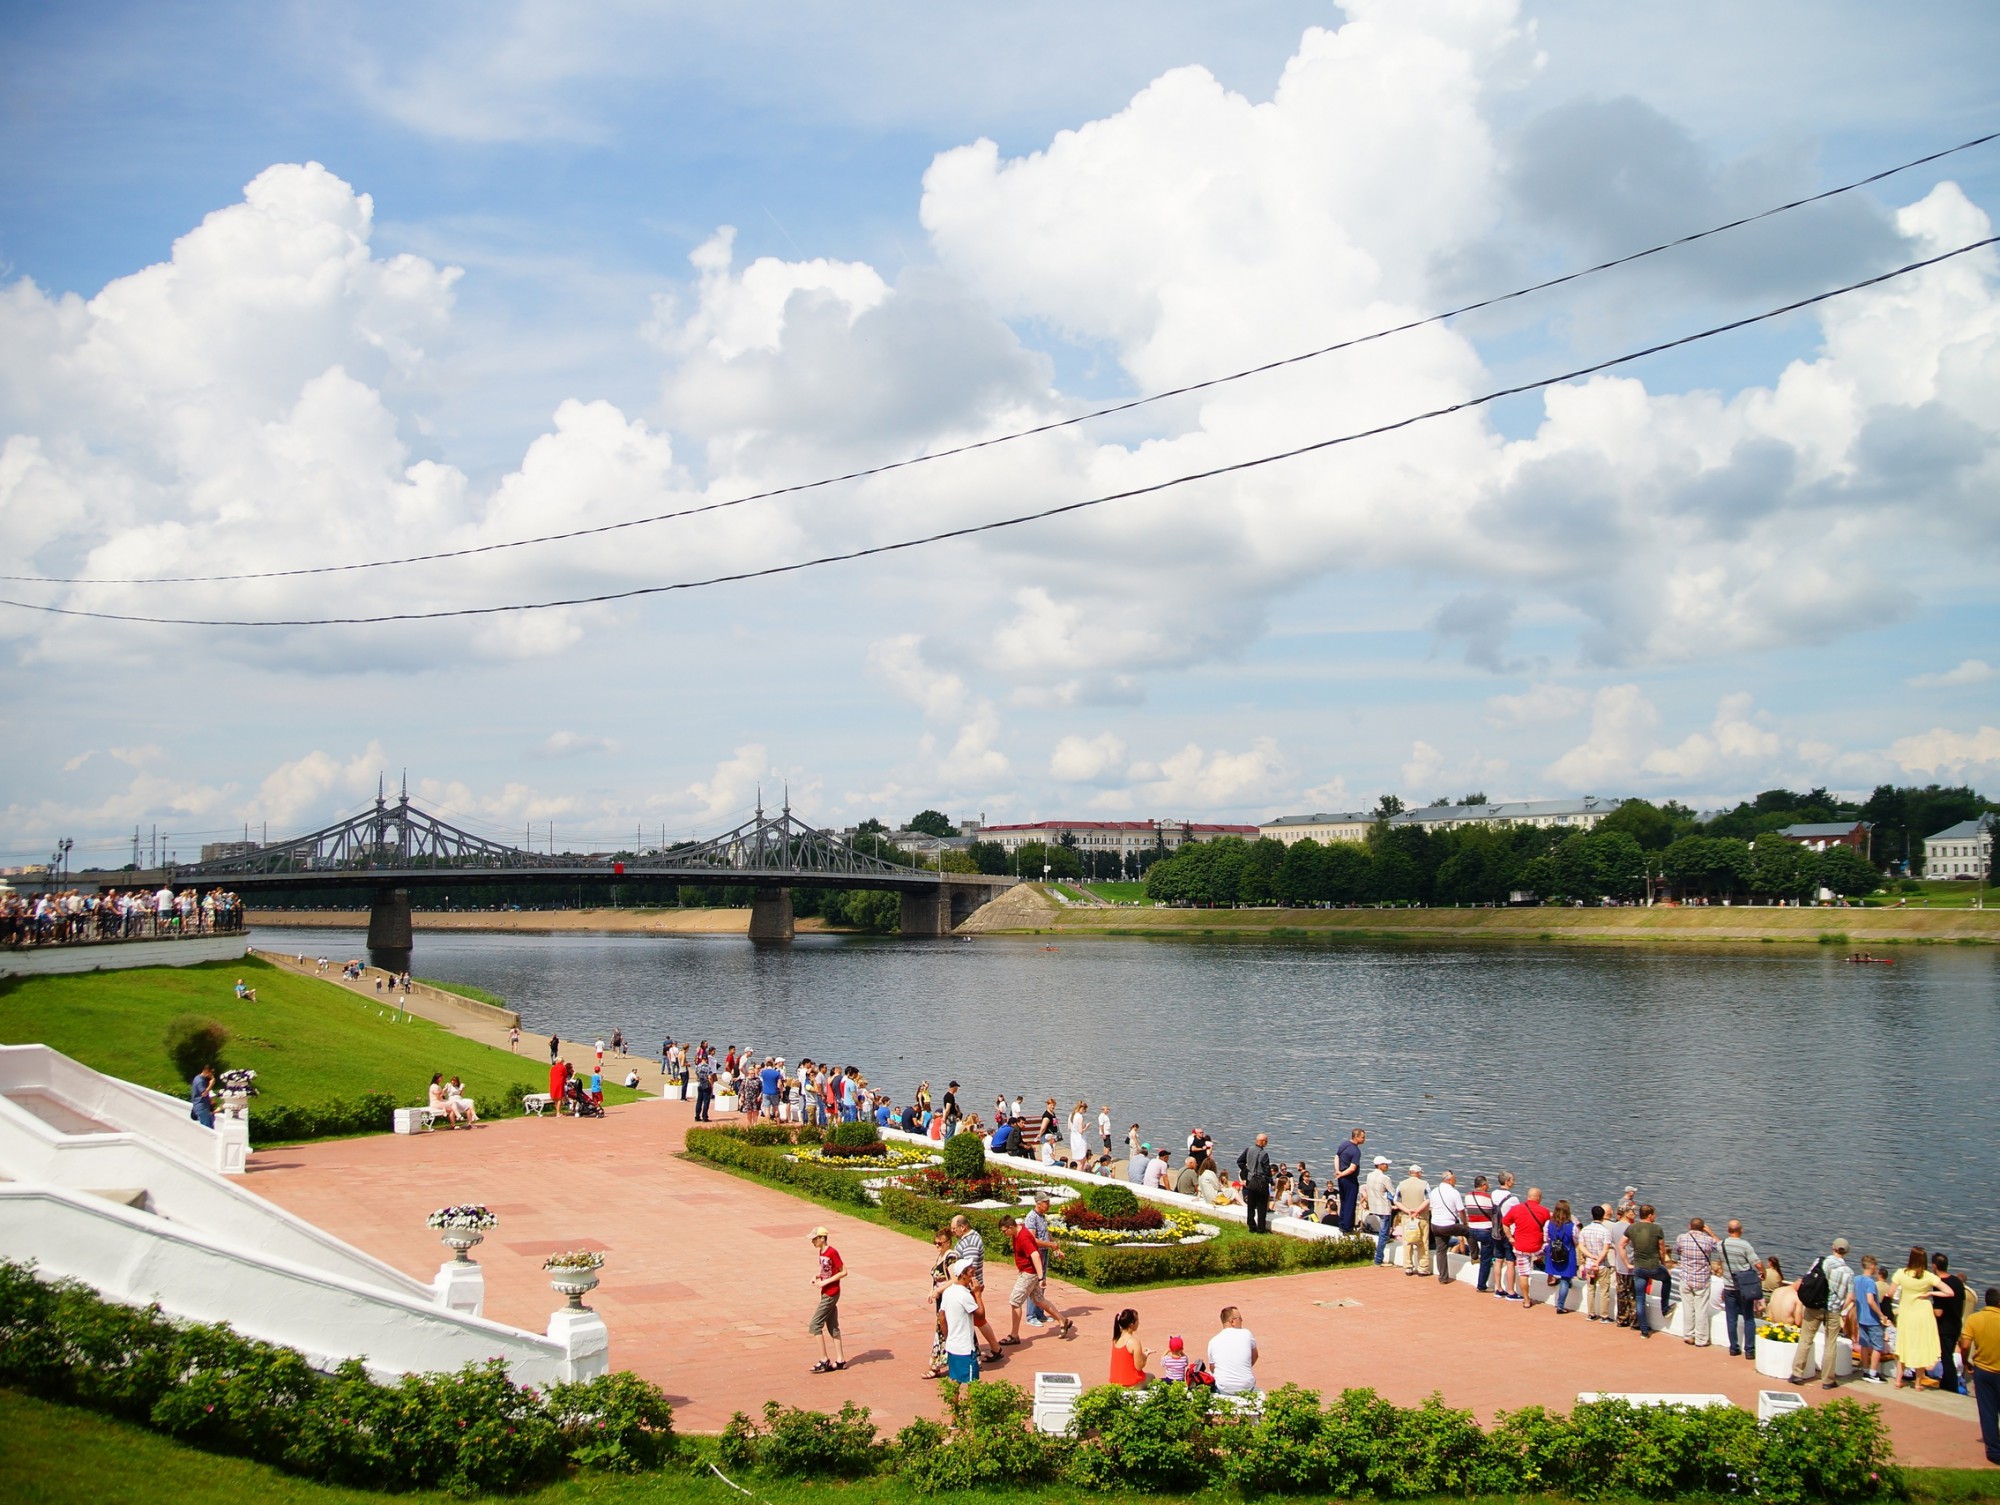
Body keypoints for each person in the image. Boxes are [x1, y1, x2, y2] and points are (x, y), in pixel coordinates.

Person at [1791, 1236, 1856, 1389]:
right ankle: (1827, 1380)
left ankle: (1797, 1373)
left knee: (1806, 1339)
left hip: (1814, 1306)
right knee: (1830, 1344)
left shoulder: (1821, 1262)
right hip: (1833, 1310)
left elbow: (1808, 1279)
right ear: (1846, 1252)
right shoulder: (1849, 1272)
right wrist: (1840, 1306)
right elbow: (1851, 1296)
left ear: (1833, 1248)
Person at [1001, 1212, 1074, 1344]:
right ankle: (1062, 1320)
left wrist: (1041, 1278)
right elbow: (1033, 1241)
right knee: (1038, 1300)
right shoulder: (1020, 1229)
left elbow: (1035, 1255)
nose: (1004, 1234)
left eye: (1004, 1231)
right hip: (1030, 1272)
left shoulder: (1022, 1237)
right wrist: (1051, 1245)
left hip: (1029, 1273)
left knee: (1015, 1301)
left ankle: (1014, 1335)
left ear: (1011, 1227)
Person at [1890, 1246, 1953, 1389]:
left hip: (1906, 1313)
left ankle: (1898, 1380)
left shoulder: (1901, 1273)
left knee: (1903, 1345)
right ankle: (1918, 1383)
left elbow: (1890, 1292)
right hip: (1923, 1313)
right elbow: (1949, 1292)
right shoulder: (1928, 1276)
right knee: (1921, 1346)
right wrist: (1930, 1294)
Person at [948, 1215, 1003, 1360]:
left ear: (963, 1227)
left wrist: (970, 1288)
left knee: (979, 1318)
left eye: (954, 1228)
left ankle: (995, 1348)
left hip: (971, 1287)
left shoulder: (971, 1242)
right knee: (975, 1319)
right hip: (967, 1286)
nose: (953, 1232)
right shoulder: (966, 1239)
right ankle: (994, 1347)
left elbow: (970, 1268)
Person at [1958, 1287, 2000, 1466]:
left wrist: (1966, 1361)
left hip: (1983, 1370)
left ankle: (1994, 1451)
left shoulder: (1975, 1319)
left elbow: (1965, 1344)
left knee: (1988, 1411)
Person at [1719, 1219, 1766, 1359]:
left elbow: (1716, 1243)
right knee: (1749, 1318)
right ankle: (1750, 1350)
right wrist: (1764, 1272)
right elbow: (1757, 1264)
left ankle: (1734, 1347)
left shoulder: (1722, 1244)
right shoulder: (1745, 1245)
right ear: (1741, 1230)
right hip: (1745, 1287)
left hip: (1729, 1286)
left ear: (1728, 1230)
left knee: (1731, 1318)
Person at [1672, 1216, 1721, 1346]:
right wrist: (1711, 1232)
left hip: (1686, 1278)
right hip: (1702, 1279)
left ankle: (1688, 1335)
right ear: (1703, 1228)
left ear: (1690, 1226)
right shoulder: (1708, 1240)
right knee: (1701, 1309)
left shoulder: (1681, 1238)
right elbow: (1721, 1248)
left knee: (1688, 1308)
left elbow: (1677, 1250)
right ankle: (1701, 1339)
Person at [939, 1257, 984, 1394]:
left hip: (952, 1346)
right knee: (973, 1385)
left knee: (954, 1382)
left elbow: (941, 1317)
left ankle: (955, 1414)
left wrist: (948, 1337)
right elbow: (981, 1315)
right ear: (962, 1275)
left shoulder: (948, 1292)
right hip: (965, 1349)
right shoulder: (965, 1296)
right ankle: (974, 1414)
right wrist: (977, 1294)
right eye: (970, 1271)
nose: (973, 1271)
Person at [1624, 1205, 1670, 1337]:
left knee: (1640, 1298)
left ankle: (1644, 1330)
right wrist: (1664, 1264)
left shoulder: (1632, 1227)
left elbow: (1621, 1244)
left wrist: (1627, 1262)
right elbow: (1662, 1249)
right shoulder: (1657, 1228)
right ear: (1650, 1215)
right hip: (1653, 1265)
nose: (1655, 1216)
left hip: (1638, 1267)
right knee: (1667, 1279)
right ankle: (1665, 1308)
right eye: (1654, 1214)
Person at [807, 1227, 847, 1373]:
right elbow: (826, 1270)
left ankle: (824, 1359)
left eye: (814, 1239)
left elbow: (843, 1271)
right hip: (826, 1292)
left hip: (831, 1293)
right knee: (832, 1326)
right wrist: (817, 1276)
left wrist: (825, 1282)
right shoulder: (822, 1252)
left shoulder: (832, 1252)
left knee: (815, 1325)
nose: (812, 1241)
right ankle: (840, 1360)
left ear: (822, 1238)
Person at [1934, 1253, 1969, 1395]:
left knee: (1946, 1357)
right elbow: (1962, 1302)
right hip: (1956, 1324)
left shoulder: (1939, 1285)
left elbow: (1938, 1312)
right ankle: (1947, 1382)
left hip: (1945, 1326)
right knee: (1948, 1355)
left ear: (1934, 1266)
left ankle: (1950, 1386)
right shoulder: (1957, 1282)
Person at [1207, 1305, 1259, 1397]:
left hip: (1224, 1388)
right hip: (1246, 1386)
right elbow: (1255, 1355)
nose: (1242, 1320)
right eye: (1240, 1318)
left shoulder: (1213, 1341)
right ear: (1232, 1321)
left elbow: (1212, 1368)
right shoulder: (1246, 1333)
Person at [1428, 1171, 1467, 1286]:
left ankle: (1443, 1277)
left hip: (1435, 1225)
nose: (1455, 1181)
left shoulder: (1435, 1191)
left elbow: (1431, 1208)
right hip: (1448, 1225)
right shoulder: (1454, 1192)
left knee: (1441, 1251)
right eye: (1454, 1179)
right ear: (1449, 1180)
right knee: (1470, 1233)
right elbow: (1461, 1210)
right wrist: (1464, 1223)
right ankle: (1474, 1256)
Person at [1853, 1255, 1888, 1382]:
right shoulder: (1870, 1282)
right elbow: (1870, 1301)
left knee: (1864, 1344)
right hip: (1872, 1319)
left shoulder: (1856, 1279)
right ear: (1872, 1266)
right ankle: (1873, 1373)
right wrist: (1881, 1315)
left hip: (1861, 1317)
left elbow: (1853, 1296)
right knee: (1878, 1346)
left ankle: (1866, 1370)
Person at [1578, 1205, 1616, 1322]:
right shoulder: (1605, 1231)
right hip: (1602, 1264)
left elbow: (1581, 1246)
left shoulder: (1585, 1230)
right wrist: (1598, 1260)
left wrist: (1591, 1256)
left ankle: (1591, 1313)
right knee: (1604, 1291)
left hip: (1590, 1264)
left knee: (1591, 1290)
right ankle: (1604, 1315)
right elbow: (1605, 1249)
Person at [1463, 1176, 1500, 1292]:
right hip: (1485, 1230)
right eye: (1487, 1184)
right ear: (1483, 1185)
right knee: (1486, 1259)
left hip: (1472, 1230)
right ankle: (1481, 1285)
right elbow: (1494, 1212)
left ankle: (1474, 1257)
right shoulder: (1489, 1198)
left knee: (1483, 1255)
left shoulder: (1468, 1196)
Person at [1544, 1199, 1580, 1314]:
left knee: (1562, 1278)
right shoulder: (1572, 1226)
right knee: (1565, 1279)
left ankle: (1552, 1280)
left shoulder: (1548, 1223)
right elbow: (1576, 1240)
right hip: (1568, 1253)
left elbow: (1546, 1238)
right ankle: (1560, 1306)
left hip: (1553, 1252)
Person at [1395, 1164, 1430, 1275]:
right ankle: (1422, 1267)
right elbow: (1428, 1199)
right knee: (1423, 1242)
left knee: (1407, 1241)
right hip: (1421, 1217)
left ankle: (1408, 1266)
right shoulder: (1425, 1184)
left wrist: (1407, 1210)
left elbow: (1396, 1200)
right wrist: (1417, 1210)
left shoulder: (1401, 1184)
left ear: (1409, 1173)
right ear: (1419, 1173)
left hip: (1407, 1217)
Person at [1239, 1133, 1274, 1235]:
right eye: (1266, 1141)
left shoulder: (1248, 1150)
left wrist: (1246, 1173)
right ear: (1262, 1141)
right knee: (1262, 1206)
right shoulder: (1264, 1154)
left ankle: (1251, 1226)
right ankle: (1261, 1229)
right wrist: (1269, 1181)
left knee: (1251, 1205)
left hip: (1250, 1181)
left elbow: (1240, 1162)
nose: (1267, 1143)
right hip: (1260, 1182)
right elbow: (1267, 1170)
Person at [1364, 1155, 1396, 1264]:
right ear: (1379, 1165)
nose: (1387, 1166)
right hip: (1384, 1208)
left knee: (1381, 1232)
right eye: (1385, 1164)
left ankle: (1378, 1255)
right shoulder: (1385, 1178)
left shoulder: (1369, 1176)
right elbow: (1393, 1193)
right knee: (1383, 1233)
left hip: (1374, 1206)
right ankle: (1378, 1259)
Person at [1335, 1128, 1365, 1231]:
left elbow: (1336, 1157)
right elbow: (1352, 1168)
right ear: (1356, 1137)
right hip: (1350, 1179)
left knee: (1343, 1201)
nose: (1364, 1139)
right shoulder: (1356, 1151)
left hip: (1341, 1178)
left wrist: (1338, 1171)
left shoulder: (1343, 1144)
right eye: (1362, 1137)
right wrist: (1342, 1174)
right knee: (1350, 1203)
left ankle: (1342, 1224)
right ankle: (1347, 1228)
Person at [1109, 1308, 1148, 1387]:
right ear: (1131, 1324)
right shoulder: (1133, 1342)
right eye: (1137, 1320)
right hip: (1130, 1384)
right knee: (1151, 1377)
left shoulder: (1115, 1339)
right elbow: (1139, 1366)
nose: (1139, 1323)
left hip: (1115, 1382)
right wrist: (1145, 1355)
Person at [188, 1064, 215, 1128]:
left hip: (204, 1106)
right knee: (207, 1127)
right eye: (212, 1072)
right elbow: (204, 1093)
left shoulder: (200, 1079)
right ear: (207, 1071)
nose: (212, 1075)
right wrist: (211, 1084)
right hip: (201, 1106)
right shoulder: (200, 1081)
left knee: (210, 1124)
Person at [693, 1050, 715, 1122]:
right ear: (706, 1059)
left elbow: (696, 1074)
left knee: (699, 1101)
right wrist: (711, 1085)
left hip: (700, 1084)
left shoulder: (698, 1066)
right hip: (706, 1085)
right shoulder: (708, 1067)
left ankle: (697, 1116)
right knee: (706, 1101)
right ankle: (704, 1117)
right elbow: (710, 1077)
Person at [1068, 1101, 1089, 1166]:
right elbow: (1080, 1131)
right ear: (1082, 1109)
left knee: (1077, 1159)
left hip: (1073, 1138)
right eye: (1084, 1110)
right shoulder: (1080, 1117)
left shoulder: (1071, 1115)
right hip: (1079, 1139)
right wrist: (1086, 1127)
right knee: (1081, 1161)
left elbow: (1069, 1128)